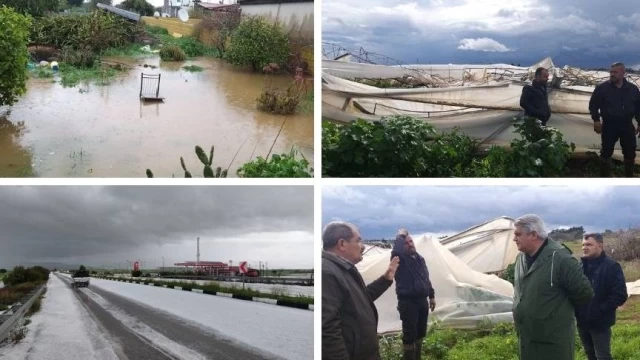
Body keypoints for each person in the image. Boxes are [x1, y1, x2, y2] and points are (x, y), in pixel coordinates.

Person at [512, 214, 594, 360]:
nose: (514, 239)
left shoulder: (561, 259)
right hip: (526, 341)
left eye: (518, 234)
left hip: (553, 344)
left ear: (533, 235)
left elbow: (584, 293)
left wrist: (555, 314)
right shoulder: (520, 259)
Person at [322, 221, 400, 360]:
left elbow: (361, 299)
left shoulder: (344, 270)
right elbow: (328, 331)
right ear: (342, 244)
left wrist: (386, 279)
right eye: (358, 241)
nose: (362, 246)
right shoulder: (327, 273)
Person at [575, 233, 628, 360]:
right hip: (582, 322)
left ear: (600, 246)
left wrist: (600, 310)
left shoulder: (611, 266)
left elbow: (620, 295)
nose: (584, 248)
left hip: (600, 322)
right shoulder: (580, 265)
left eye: (589, 244)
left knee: (603, 356)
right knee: (589, 354)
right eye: (583, 245)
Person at [588, 62, 640, 177]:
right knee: (606, 151)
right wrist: (596, 120)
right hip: (609, 125)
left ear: (623, 73)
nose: (612, 74)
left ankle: (629, 178)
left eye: (615, 72)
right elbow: (593, 105)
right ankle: (605, 178)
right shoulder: (602, 88)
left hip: (627, 125)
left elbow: (638, 107)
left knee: (630, 152)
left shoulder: (632, 89)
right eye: (611, 72)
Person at [391, 229, 435, 360]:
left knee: (420, 332)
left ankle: (418, 357)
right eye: (406, 243)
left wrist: (431, 295)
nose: (410, 244)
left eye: (411, 241)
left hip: (422, 301)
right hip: (408, 303)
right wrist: (401, 235)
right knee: (410, 335)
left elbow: (425, 278)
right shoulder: (400, 261)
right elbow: (396, 252)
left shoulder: (420, 259)